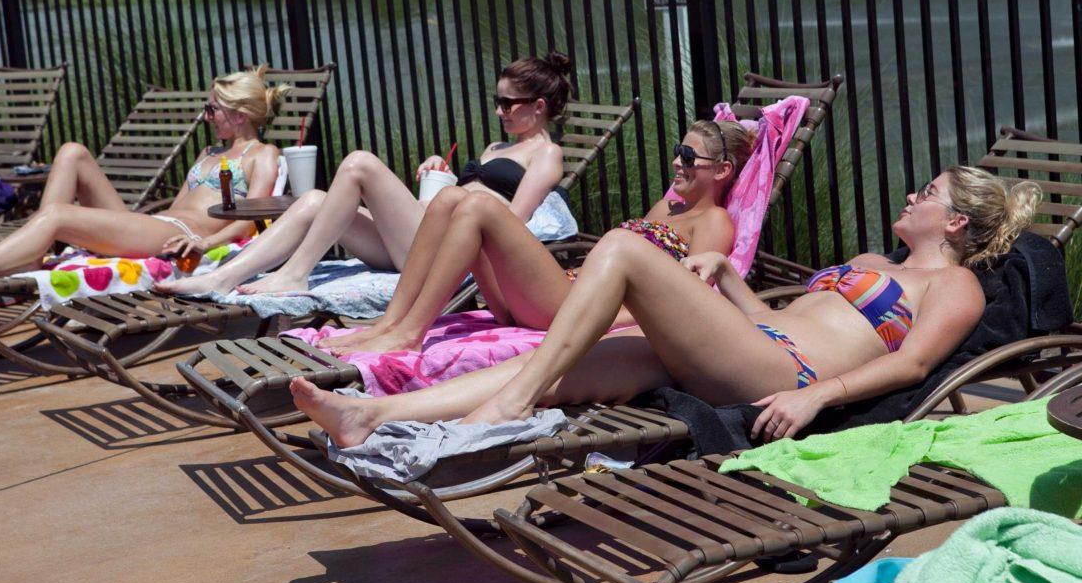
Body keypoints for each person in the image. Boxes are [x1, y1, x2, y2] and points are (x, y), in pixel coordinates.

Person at [290, 165, 1041, 447]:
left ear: (955, 224)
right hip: (753, 344)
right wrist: (729, 280)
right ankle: (375, 418)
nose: (911, 196)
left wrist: (818, 403)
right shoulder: (874, 264)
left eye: (929, 194)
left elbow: (912, 362)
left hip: (792, 375)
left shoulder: (954, 286)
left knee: (622, 248)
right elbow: (783, 314)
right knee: (573, 364)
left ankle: (510, 402)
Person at [153, 52, 577, 297]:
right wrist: (443, 174)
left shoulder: (546, 155)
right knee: (313, 200)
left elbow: (510, 225)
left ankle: (295, 275)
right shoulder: (496, 148)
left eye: (509, 103)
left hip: (449, 254)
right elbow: (472, 194)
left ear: (539, 106)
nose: (500, 111)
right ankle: (222, 278)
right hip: (424, 231)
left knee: (359, 162)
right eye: (497, 101)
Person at [320, 120, 752, 355]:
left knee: (479, 207)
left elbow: (691, 299)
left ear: (721, 171)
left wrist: (605, 320)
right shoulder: (671, 206)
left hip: (573, 307)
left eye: (690, 157)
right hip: (558, 292)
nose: (678, 161)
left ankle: (411, 332)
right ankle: (392, 323)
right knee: (450, 198)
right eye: (679, 150)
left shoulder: (714, 221)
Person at [0, 67, 284, 289]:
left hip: (178, 235)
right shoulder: (209, 152)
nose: (206, 116)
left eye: (212, 109)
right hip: (156, 225)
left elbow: (254, 218)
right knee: (72, 151)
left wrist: (205, 241)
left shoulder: (262, 156)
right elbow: (176, 203)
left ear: (239, 114)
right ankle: (34, 252)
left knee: (59, 215)